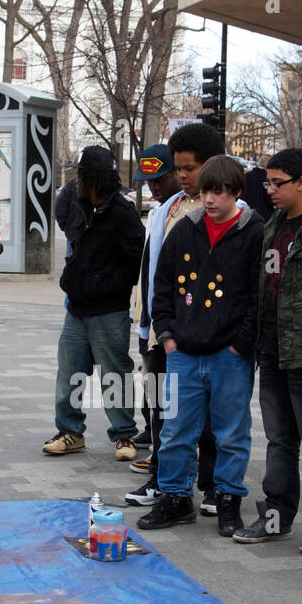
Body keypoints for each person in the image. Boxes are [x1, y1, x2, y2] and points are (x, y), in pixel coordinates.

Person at [140, 155, 266, 536]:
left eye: (218, 192)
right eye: (206, 191)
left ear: (236, 194)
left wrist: (241, 344)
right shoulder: (185, 229)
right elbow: (161, 285)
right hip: (183, 351)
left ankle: (228, 498)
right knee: (175, 429)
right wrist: (167, 336)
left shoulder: (254, 232)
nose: (209, 199)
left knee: (231, 432)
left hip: (230, 355)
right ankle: (176, 497)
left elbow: (258, 295)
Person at [232, 147, 302, 554]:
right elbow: (266, 287)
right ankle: (277, 515)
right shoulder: (275, 223)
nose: (270, 190)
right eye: (267, 182)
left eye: (277, 183)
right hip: (273, 348)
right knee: (280, 438)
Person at [124, 123, 224, 515]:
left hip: (206, 331)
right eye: (178, 170)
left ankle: (213, 484)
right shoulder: (167, 209)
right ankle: (164, 480)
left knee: (211, 416)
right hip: (164, 328)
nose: (182, 177)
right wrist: (149, 322)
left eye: (189, 169)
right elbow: (154, 272)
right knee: (163, 409)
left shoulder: (222, 209)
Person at [43, 145, 144, 459]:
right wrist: (70, 280)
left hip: (109, 310)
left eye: (80, 176)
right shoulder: (81, 204)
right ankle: (70, 431)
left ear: (92, 179)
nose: (76, 182)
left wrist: (104, 286)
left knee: (114, 375)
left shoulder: (123, 213)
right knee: (69, 373)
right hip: (76, 308)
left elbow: (135, 261)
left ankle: (124, 435)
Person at [128, 144, 180, 456]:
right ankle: (152, 430)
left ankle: (167, 453)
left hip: (169, 321)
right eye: (149, 180)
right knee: (151, 382)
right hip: (148, 316)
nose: (154, 186)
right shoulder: (158, 212)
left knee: (167, 389)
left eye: (160, 178)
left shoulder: (182, 210)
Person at [54, 176, 87, 260]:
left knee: (71, 261)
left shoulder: (71, 184)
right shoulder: (98, 185)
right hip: (79, 232)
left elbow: (60, 207)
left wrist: (66, 226)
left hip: (73, 232)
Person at [242, 153, 272, 220]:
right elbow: (270, 199)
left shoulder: (245, 177)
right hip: (264, 217)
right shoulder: (268, 179)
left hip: (245, 216)